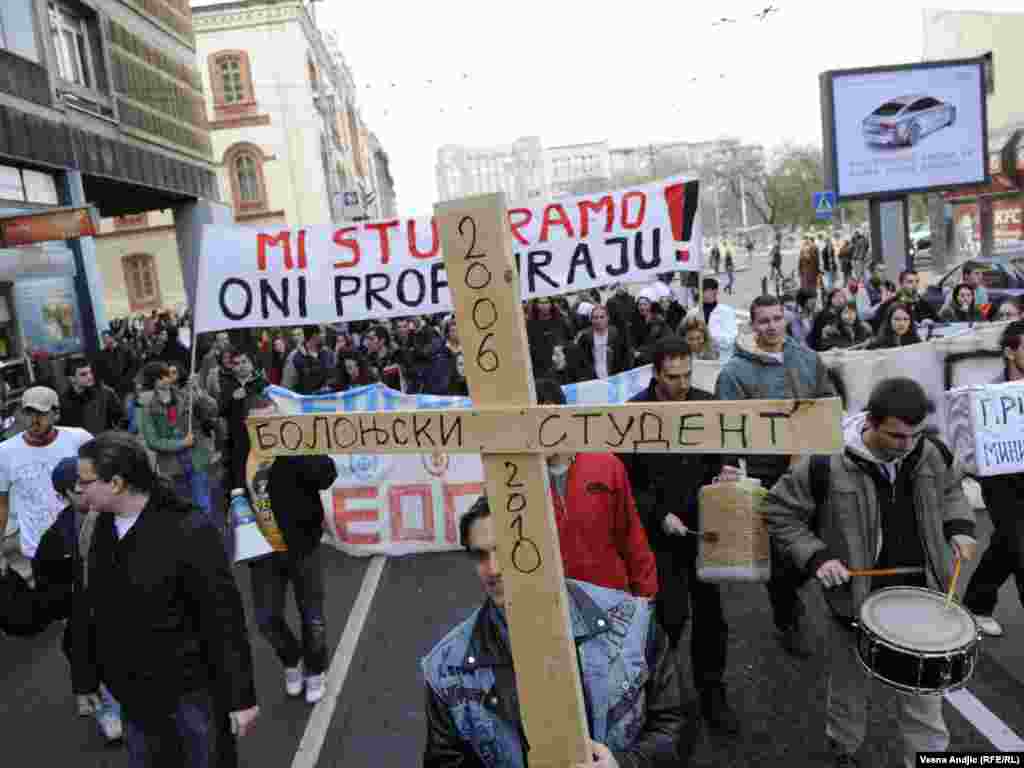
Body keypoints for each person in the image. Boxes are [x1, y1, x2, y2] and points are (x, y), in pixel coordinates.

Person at [760, 378, 976, 768]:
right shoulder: (824, 464)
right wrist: (818, 557)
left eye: (914, 435)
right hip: (854, 604)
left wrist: (959, 526)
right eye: (896, 436)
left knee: (925, 703)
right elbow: (778, 511)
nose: (907, 445)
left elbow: (951, 491)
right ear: (871, 423)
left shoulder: (932, 452)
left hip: (923, 597)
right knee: (848, 691)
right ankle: (844, 750)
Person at [421, 495, 694, 768]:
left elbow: (674, 727)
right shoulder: (447, 667)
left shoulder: (633, 622)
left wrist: (623, 764)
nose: (493, 569)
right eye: (480, 555)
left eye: (505, 550)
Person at [72, 432, 259, 767]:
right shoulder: (97, 527)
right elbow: (91, 605)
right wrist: (86, 675)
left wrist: (241, 697)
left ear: (116, 483)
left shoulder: (188, 529)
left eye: (85, 481)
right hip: (133, 695)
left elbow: (223, 618)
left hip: (190, 694)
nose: (78, 488)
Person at [619, 336, 743, 737]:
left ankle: (712, 692)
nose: (683, 383)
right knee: (669, 618)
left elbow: (725, 448)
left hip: (705, 529)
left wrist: (726, 468)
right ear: (655, 374)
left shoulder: (706, 404)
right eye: (673, 377)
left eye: (688, 374)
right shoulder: (633, 414)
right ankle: (666, 700)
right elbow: (625, 481)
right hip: (660, 537)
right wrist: (658, 515)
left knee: (712, 618)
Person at [714, 295, 836, 658]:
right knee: (782, 550)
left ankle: (802, 587)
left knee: (820, 534)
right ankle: (788, 620)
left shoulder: (808, 358)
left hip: (812, 464)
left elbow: (828, 402)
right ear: (753, 326)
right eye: (763, 320)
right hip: (769, 471)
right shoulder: (734, 373)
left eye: (777, 319)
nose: (771, 326)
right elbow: (726, 425)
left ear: (786, 320)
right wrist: (729, 463)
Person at [0, 458, 124, 742]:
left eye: (93, 483)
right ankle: (107, 707)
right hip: (90, 623)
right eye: (78, 488)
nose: (88, 492)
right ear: (63, 495)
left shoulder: (122, 516)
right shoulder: (55, 542)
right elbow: (47, 602)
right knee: (85, 645)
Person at [245, 397, 339, 703]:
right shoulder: (244, 449)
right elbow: (236, 486)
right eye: (259, 423)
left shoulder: (297, 442)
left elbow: (327, 475)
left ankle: (316, 671)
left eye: (271, 419)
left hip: (302, 546)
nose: (266, 427)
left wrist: (293, 446)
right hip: (262, 550)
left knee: (312, 617)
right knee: (266, 618)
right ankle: (291, 660)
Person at [534, 379, 657, 598]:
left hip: (609, 600)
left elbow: (631, 535)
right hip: (548, 607)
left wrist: (646, 596)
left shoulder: (606, 466)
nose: (543, 431)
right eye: (534, 423)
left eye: (548, 420)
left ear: (563, 417)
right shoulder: (514, 481)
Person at [962, 320, 1024, 637]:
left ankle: (976, 603)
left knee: (1007, 544)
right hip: (1002, 484)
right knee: (1020, 548)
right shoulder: (986, 397)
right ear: (1009, 352)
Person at [0, 387, 92, 562]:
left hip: (82, 543)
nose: (34, 420)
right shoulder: (5, 452)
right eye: (28, 413)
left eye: (41, 413)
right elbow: (1, 505)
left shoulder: (79, 438)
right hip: (37, 549)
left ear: (56, 414)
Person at [138, 362, 219, 521]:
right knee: (182, 507)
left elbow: (213, 409)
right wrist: (181, 443)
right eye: (160, 377)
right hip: (172, 464)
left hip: (196, 457)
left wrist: (199, 390)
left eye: (167, 375)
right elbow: (153, 441)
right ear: (153, 381)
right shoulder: (147, 406)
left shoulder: (185, 395)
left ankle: (207, 536)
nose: (166, 379)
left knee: (203, 503)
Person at [59, 358, 125, 435]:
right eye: (83, 374)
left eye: (90, 372)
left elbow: (121, 420)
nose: (90, 376)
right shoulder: (63, 401)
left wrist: (112, 438)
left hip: (104, 443)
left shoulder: (106, 394)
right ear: (72, 379)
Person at [684, 277, 737, 361]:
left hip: (721, 360)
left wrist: (708, 336)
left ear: (715, 291)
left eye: (704, 290)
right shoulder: (692, 312)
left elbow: (731, 339)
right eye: (700, 290)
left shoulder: (726, 311)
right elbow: (685, 335)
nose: (700, 293)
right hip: (697, 361)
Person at [575, 304, 630, 379]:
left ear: (608, 318)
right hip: (594, 379)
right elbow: (583, 361)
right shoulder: (585, 337)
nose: (599, 320)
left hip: (614, 377)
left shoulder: (616, 334)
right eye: (595, 318)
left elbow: (624, 357)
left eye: (602, 317)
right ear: (591, 320)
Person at [282, 325, 334, 395]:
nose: (324, 335)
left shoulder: (328, 352)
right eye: (322, 333)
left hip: (327, 400)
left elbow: (333, 375)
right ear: (315, 336)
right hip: (306, 402)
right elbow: (287, 386)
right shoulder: (294, 356)